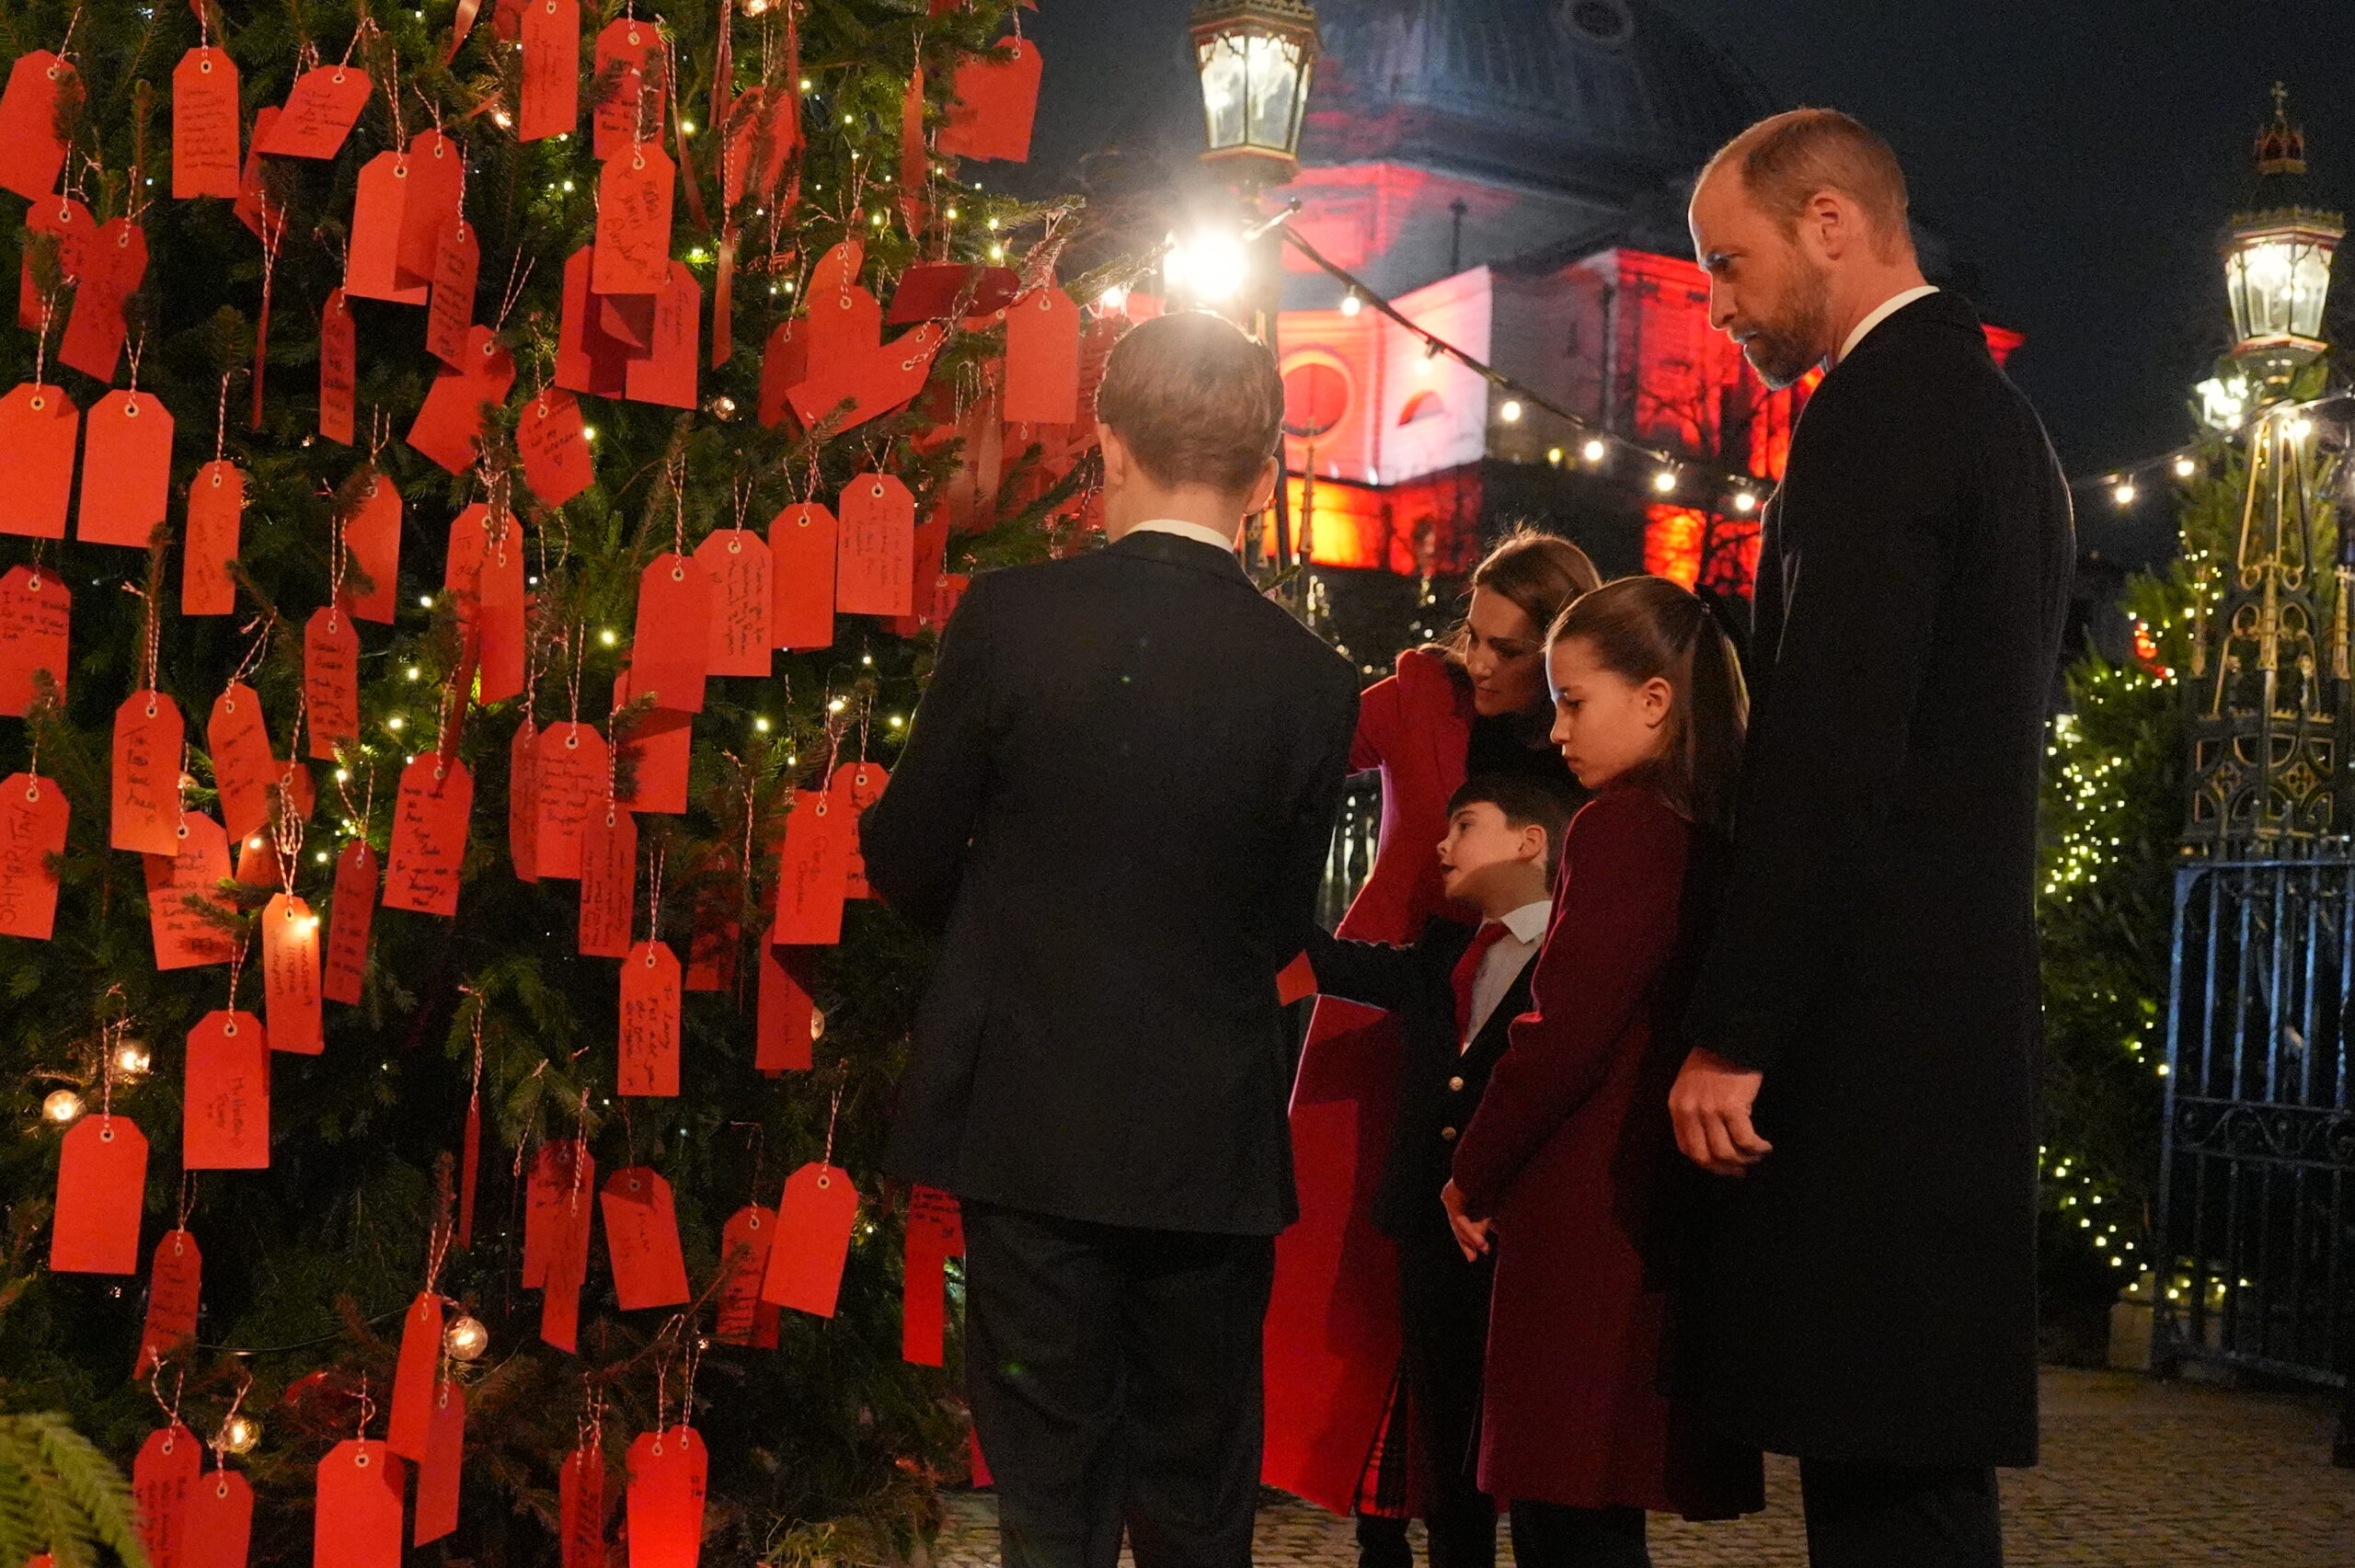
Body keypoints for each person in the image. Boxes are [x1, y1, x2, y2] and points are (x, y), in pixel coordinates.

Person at [861, 310, 1361, 1568]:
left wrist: (1008, 929)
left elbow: (907, 855)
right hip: (1207, 1137)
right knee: (1198, 1502)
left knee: (1049, 1497)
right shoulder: (1311, 677)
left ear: (1108, 442)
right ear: (1263, 469)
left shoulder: (1013, 619)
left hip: (1028, 1118)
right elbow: (1273, 922)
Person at [1671, 109, 2074, 1567]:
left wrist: (1736, 1025)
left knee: (1884, 1479)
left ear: (1831, 221)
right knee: (1912, 1475)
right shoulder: (1995, 420)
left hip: (1876, 1043)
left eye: (1730, 262)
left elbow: (1834, 754)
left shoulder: (1877, 416)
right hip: (1951, 1029)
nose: (1715, 306)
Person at [1264, 529, 1598, 1566]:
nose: (1482, 662)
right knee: (1363, 1271)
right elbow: (1297, 743)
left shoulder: (1587, 743)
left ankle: (1479, 1513)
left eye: (1509, 649)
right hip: (1385, 1009)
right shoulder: (1422, 690)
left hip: (1520, 1023)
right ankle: (1376, 1522)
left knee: (1485, 1294)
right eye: (1474, 633)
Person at [1444, 576, 1764, 1566]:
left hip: (1584, 1213)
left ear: (1655, 700)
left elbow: (1561, 1030)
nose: (1555, 733)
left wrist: (1473, 1165)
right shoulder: (1708, 831)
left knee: (1564, 1513)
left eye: (1575, 701)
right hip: (1646, 1211)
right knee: (1588, 1509)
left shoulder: (1622, 828)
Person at [1292, 774, 1581, 1568]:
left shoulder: (1573, 957)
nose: (1443, 844)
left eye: (1466, 824)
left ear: (1530, 841)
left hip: (1516, 1248)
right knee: (1445, 1455)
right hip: (1427, 1238)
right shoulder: (1443, 951)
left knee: (1530, 1464)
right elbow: (1327, 959)